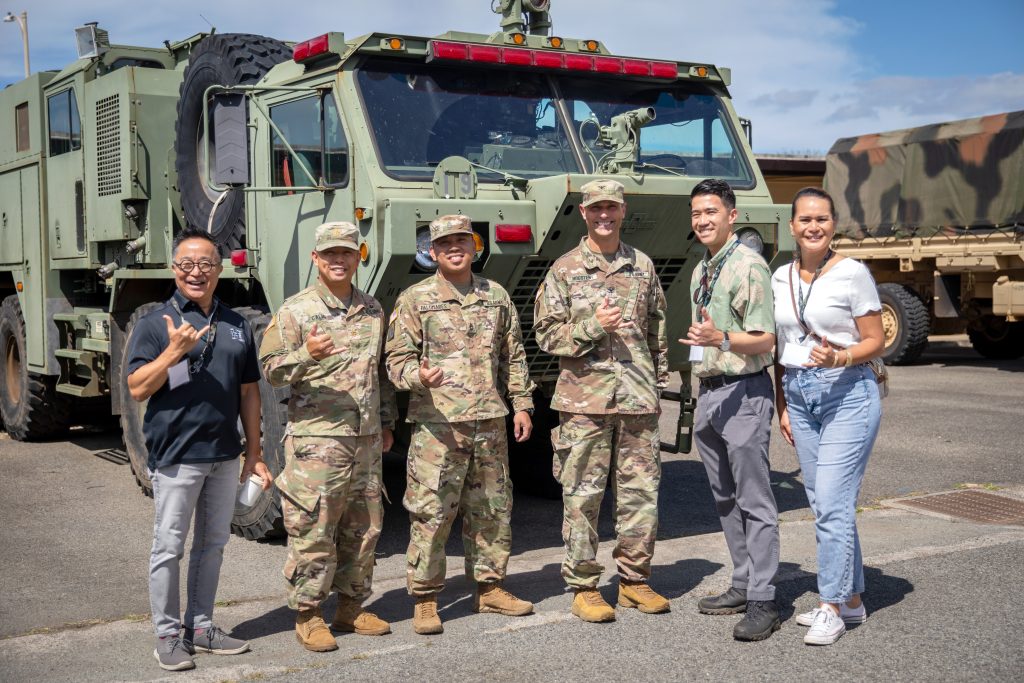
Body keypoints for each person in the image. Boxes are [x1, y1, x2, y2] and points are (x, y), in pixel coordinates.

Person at [126, 226, 271, 672]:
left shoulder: (236, 324)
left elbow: (249, 391)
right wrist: (172, 353)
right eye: (187, 264)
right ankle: (168, 636)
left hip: (224, 455)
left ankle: (201, 627)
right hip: (176, 456)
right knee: (169, 547)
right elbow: (137, 388)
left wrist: (253, 451)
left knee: (213, 545)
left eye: (206, 263)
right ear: (174, 269)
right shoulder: (155, 324)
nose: (196, 272)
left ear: (219, 269)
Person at [385, 214, 536, 635]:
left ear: (474, 247)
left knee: (492, 509)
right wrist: (418, 376)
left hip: (489, 423)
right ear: (432, 252)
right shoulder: (415, 299)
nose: (455, 249)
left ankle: (490, 588)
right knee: (431, 512)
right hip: (439, 427)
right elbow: (395, 361)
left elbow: (513, 355)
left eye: (462, 242)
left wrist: (522, 404)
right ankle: (425, 598)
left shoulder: (496, 295)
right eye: (445, 244)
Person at [534, 178, 670, 623]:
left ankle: (634, 581)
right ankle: (584, 586)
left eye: (611, 207)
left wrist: (656, 384)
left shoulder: (642, 266)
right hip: (584, 402)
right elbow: (546, 336)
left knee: (640, 495)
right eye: (596, 208)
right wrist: (594, 326)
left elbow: (657, 330)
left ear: (623, 210)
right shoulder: (564, 270)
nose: (604, 215)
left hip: (637, 400)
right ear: (584, 213)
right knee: (583, 496)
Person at [259, 222, 398, 652]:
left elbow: (380, 372)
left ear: (358, 257)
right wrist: (307, 354)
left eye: (347, 252)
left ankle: (351, 607)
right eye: (330, 253)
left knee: (364, 527)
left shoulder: (372, 309)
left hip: (365, 439)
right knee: (314, 527)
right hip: (317, 441)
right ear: (315, 258)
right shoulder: (295, 311)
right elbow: (271, 371)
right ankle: (309, 614)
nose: (339, 260)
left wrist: (386, 421)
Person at [772, 187, 884, 646]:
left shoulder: (853, 273)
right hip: (799, 394)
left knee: (834, 504)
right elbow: (781, 346)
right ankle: (852, 600)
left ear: (834, 224)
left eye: (822, 219)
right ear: (792, 226)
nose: (813, 226)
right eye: (805, 219)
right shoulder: (780, 276)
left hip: (848, 392)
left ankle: (830, 606)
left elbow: (876, 339)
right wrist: (783, 404)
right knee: (824, 503)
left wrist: (841, 357)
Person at [680, 178, 780, 641]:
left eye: (711, 212)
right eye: (696, 213)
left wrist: (719, 338)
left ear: (732, 215)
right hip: (711, 391)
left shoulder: (748, 266)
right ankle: (742, 582)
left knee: (754, 500)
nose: (702, 220)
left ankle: (764, 598)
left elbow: (765, 339)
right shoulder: (704, 268)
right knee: (725, 498)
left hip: (743, 393)